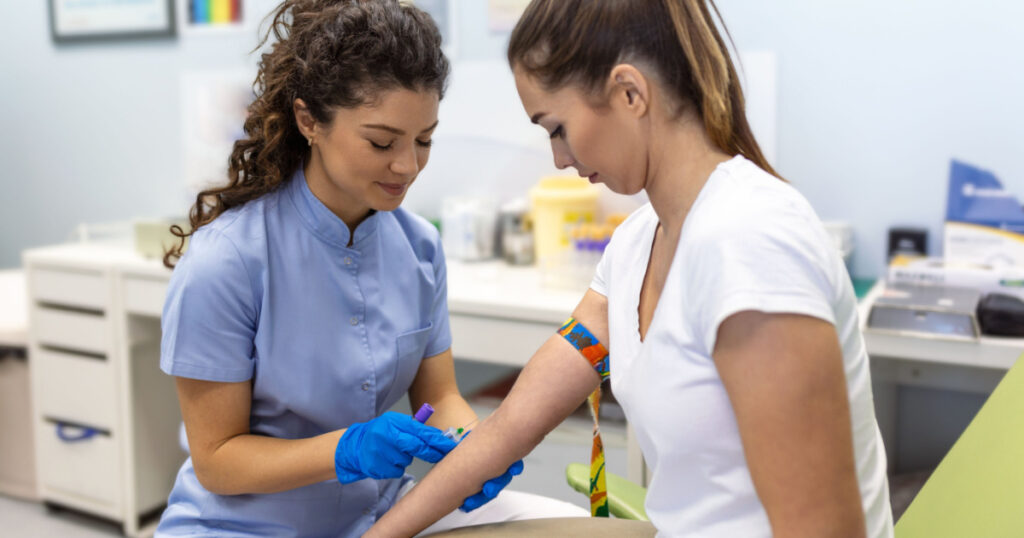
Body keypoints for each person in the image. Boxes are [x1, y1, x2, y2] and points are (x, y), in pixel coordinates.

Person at [368, 0, 895, 536]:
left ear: (629, 93)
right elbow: (507, 430)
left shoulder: (750, 244)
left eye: (557, 128)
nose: (559, 159)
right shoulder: (638, 244)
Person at [155, 1, 585, 536]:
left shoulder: (419, 247)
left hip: (381, 517)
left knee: (568, 523)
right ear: (308, 119)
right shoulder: (227, 261)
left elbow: (442, 397)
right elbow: (217, 460)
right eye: (381, 142)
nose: (407, 166)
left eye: (424, 139)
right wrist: (347, 449)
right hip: (245, 526)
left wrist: (473, 448)